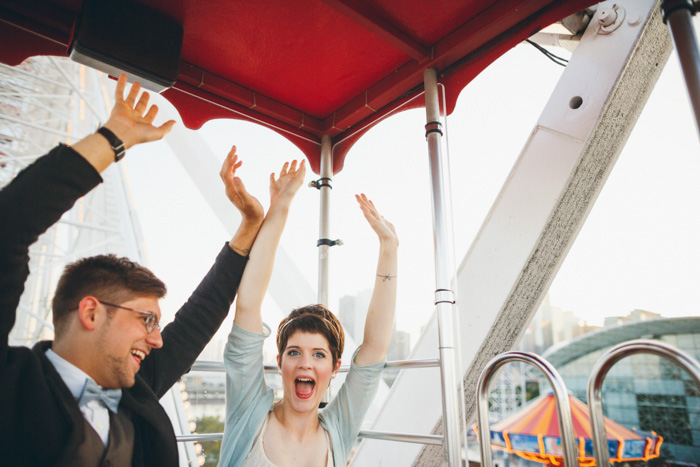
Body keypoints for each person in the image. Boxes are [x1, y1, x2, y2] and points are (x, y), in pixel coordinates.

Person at [0, 74, 264, 466]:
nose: (157, 340)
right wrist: (111, 139)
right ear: (91, 312)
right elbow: (9, 227)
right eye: (146, 320)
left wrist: (248, 228)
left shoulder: (136, 390)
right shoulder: (13, 386)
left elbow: (198, 318)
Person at [219, 158, 399, 467]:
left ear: (335, 367)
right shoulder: (249, 413)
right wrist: (281, 206)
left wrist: (389, 248)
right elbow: (248, 303)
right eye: (294, 353)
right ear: (278, 362)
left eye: (318, 355)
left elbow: (375, 346)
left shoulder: (337, 429)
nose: (305, 363)